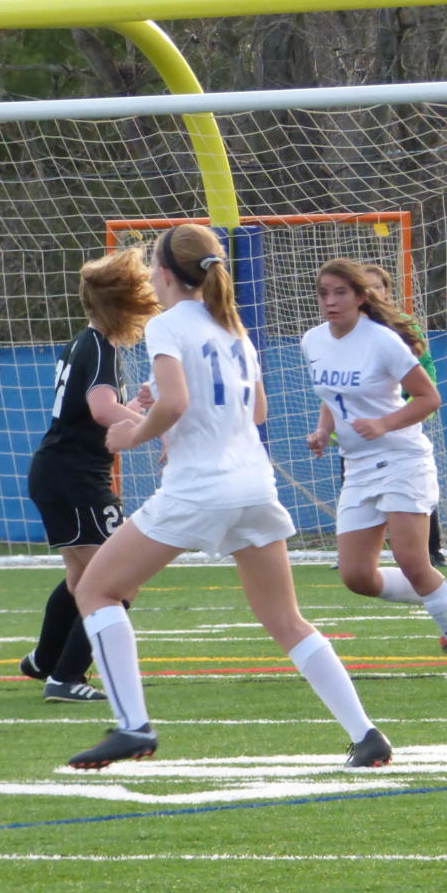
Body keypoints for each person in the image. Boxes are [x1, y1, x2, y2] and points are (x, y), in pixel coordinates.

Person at [69, 224, 392, 770]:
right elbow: (255, 412)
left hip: (202, 489)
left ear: (166, 275)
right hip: (253, 486)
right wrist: (173, 415)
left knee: (97, 590)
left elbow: (172, 404)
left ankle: (133, 727)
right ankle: (366, 735)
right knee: (288, 622)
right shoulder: (233, 329)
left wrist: (135, 430)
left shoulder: (167, 325)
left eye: (152, 267)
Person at [304, 258, 447, 678]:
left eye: (340, 293)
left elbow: (429, 398)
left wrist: (384, 423)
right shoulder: (313, 341)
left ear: (360, 298)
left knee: (411, 559)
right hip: (358, 466)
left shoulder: (383, 341)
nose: (331, 301)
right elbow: (333, 395)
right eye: (324, 293)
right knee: (357, 576)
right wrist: (321, 430)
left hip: (403, 459)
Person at [22, 248, 157, 703]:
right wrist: (151, 427)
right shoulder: (99, 347)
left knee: (82, 579)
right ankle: (66, 676)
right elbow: (101, 411)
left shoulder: (82, 343)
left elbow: (92, 409)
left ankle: (44, 659)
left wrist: (136, 407)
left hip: (55, 471)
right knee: (120, 578)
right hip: (76, 477)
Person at [361, 262, 447, 567]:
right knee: (357, 481)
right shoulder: (346, 331)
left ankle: (432, 550)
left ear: (387, 291)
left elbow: (426, 367)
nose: (371, 291)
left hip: (400, 422)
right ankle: (356, 551)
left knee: (415, 485)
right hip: (364, 427)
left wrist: (409, 408)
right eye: (365, 286)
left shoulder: (403, 326)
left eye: (377, 286)